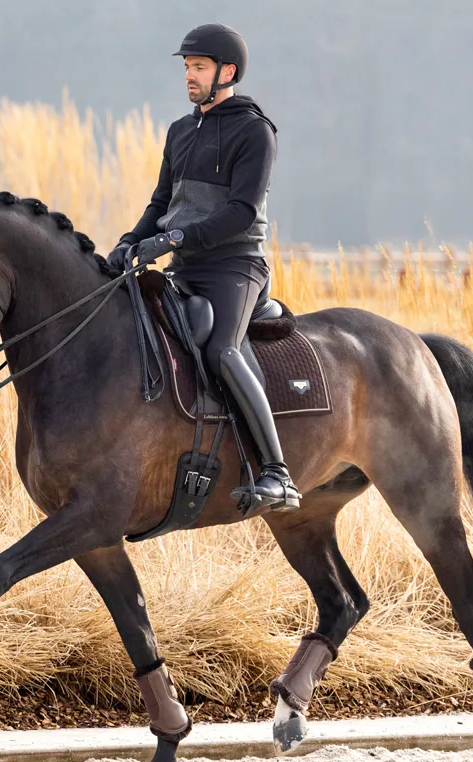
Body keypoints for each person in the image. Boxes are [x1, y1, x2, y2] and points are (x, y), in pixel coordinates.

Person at [107, 23, 300, 511]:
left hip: (236, 266)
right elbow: (161, 202)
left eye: (198, 67)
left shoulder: (255, 130)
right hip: (187, 265)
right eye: (187, 68)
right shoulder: (180, 131)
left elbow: (242, 212)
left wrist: (174, 237)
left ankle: (278, 474)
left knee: (221, 350)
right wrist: (131, 240)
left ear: (226, 72)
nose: (189, 76)